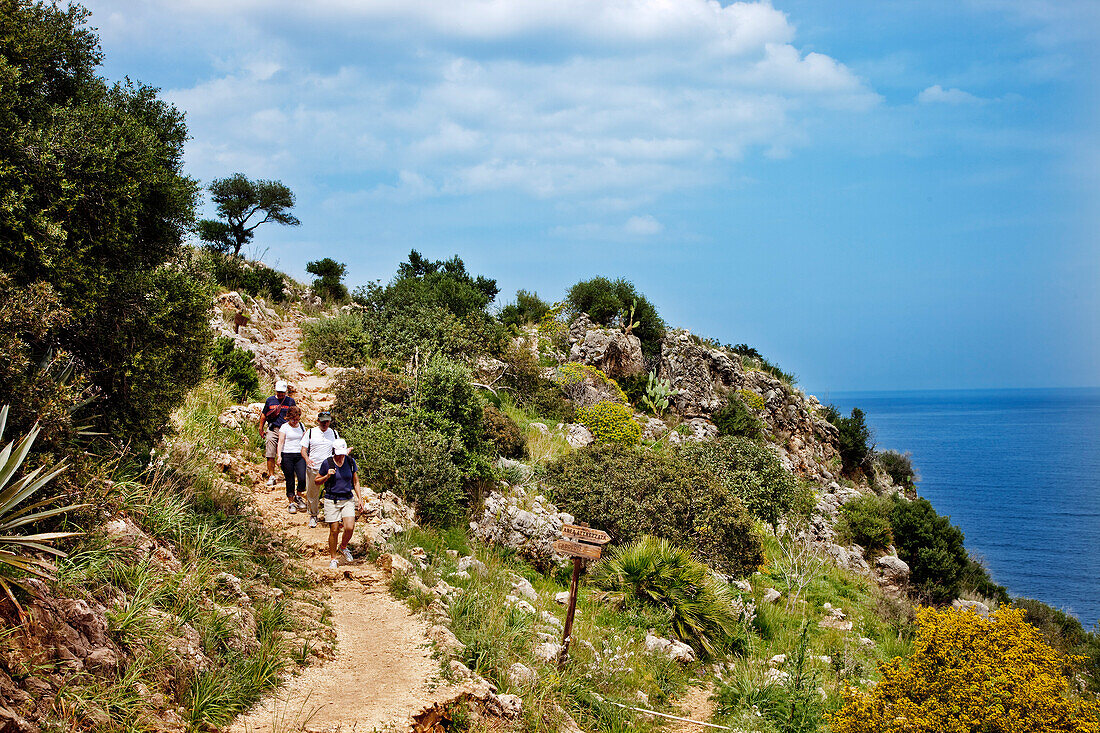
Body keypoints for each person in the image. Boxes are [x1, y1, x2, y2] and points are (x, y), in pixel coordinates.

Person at [315, 439, 363, 569]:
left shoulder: (350, 462)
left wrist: (360, 498)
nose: (341, 456)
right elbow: (316, 481)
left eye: (343, 453)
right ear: (334, 452)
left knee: (349, 527)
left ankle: (343, 547)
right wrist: (326, 476)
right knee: (334, 529)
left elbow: (355, 481)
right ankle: (333, 558)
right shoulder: (328, 463)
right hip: (332, 499)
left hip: (347, 498)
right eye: (339, 453)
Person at [300, 411, 339, 528]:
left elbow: (338, 450)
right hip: (314, 467)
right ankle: (313, 515)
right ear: (318, 421)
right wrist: (307, 460)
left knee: (333, 491)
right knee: (312, 492)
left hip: (329, 468)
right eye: (323, 421)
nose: (325, 424)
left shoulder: (334, 433)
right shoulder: (310, 432)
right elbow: (303, 449)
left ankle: (333, 516)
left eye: (327, 421)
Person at [257, 381, 296, 487]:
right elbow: (264, 415)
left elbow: (295, 415)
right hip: (273, 429)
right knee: (270, 452)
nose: (280, 394)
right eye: (279, 392)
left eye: (282, 392)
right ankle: (271, 476)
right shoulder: (270, 400)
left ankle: (289, 473)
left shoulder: (290, 401)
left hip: (286, 431)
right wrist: (261, 428)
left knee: (287, 452)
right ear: (276, 391)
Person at [277, 406, 308, 513]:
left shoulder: (302, 426)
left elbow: (305, 441)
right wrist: (279, 456)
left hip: (299, 455)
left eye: (297, 419)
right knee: (290, 479)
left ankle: (298, 496)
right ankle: (291, 502)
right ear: (288, 417)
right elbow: (280, 442)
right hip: (287, 455)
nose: (295, 422)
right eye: (293, 419)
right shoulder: (284, 427)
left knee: (302, 477)